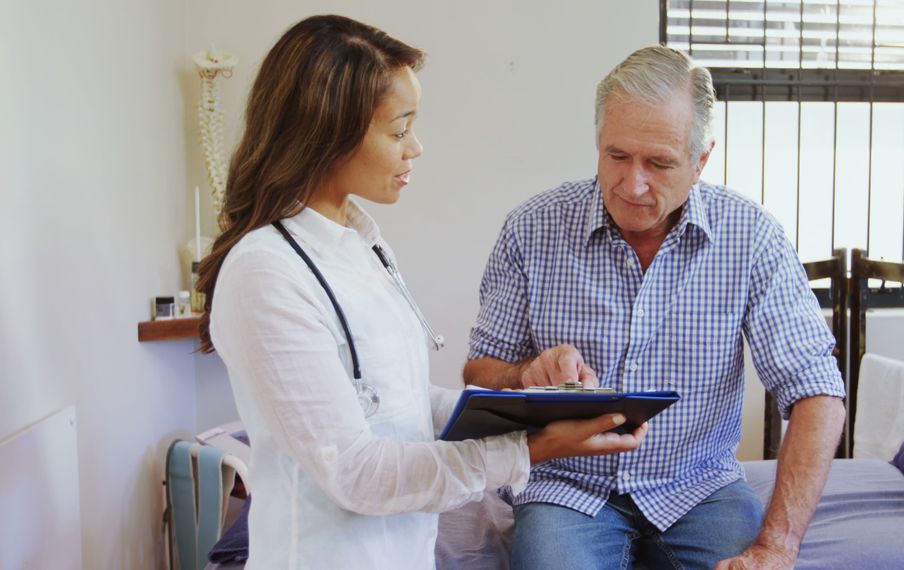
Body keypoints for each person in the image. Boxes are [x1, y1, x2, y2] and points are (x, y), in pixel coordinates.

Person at [195, 15, 646, 569]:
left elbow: (404, 406)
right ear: (329, 132)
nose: (417, 148)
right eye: (399, 129)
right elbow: (357, 473)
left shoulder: (361, 245)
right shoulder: (264, 272)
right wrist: (527, 449)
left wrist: (535, 410)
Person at [463, 45, 847, 570]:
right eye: (616, 156)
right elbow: (480, 372)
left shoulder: (752, 237)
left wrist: (777, 546)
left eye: (659, 163)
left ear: (700, 160)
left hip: (699, 486)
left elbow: (817, 392)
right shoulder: (532, 229)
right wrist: (528, 372)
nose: (632, 184)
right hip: (566, 486)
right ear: (598, 142)